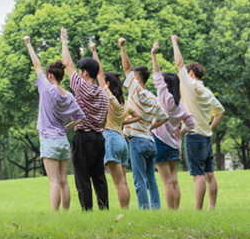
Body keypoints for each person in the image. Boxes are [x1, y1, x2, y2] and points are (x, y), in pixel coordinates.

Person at [24, 35, 85, 211]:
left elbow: (36, 65)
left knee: (54, 182)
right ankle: (65, 213)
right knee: (64, 180)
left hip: (49, 140)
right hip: (62, 140)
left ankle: (55, 214)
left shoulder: (45, 87)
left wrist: (29, 44)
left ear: (50, 75)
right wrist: (67, 128)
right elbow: (80, 117)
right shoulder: (69, 96)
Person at [171, 35, 225, 210]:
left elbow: (179, 63)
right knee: (210, 174)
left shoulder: (190, 85)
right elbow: (220, 111)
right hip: (206, 137)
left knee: (198, 176)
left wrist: (174, 42)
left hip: (195, 137)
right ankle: (211, 208)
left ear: (191, 73)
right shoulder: (207, 92)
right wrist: (209, 128)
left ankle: (197, 210)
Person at [60, 27, 110, 211]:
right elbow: (104, 122)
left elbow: (67, 64)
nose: (78, 73)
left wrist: (64, 41)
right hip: (99, 138)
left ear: (85, 73)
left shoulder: (82, 87)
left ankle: (87, 211)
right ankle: (104, 209)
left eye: (80, 71)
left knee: (82, 177)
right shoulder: (104, 95)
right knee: (99, 177)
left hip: (84, 138)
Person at [88, 42, 142, 209]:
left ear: (109, 85)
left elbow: (99, 73)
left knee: (118, 183)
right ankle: (125, 211)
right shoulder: (124, 103)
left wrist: (94, 51)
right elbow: (139, 116)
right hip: (121, 139)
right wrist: (123, 122)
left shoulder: (109, 98)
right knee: (124, 182)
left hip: (111, 138)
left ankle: (124, 212)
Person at [118, 37, 169, 210]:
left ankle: (144, 210)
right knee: (151, 180)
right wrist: (149, 126)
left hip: (137, 141)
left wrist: (122, 48)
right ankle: (155, 208)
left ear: (137, 79)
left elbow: (127, 68)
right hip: (150, 141)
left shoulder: (137, 92)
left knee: (139, 181)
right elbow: (164, 118)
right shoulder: (153, 98)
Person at [150, 41, 195, 210]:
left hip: (161, 141)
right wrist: (180, 133)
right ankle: (175, 210)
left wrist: (153, 54)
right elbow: (190, 122)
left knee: (166, 181)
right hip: (174, 144)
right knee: (174, 180)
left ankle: (170, 212)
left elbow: (156, 75)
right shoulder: (178, 104)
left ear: (166, 84)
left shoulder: (164, 97)